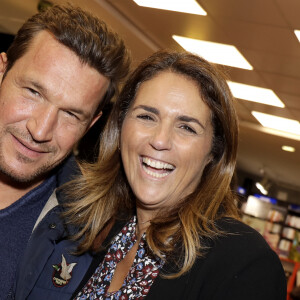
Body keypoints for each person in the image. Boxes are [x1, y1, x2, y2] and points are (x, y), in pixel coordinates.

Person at [15, 50, 286, 299]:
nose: (160, 140)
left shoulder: (243, 262)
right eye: (146, 117)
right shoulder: (102, 227)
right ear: (121, 128)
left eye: (187, 128)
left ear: (213, 152)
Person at [0, 4, 130, 299]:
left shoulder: (90, 236)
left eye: (71, 114)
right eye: (34, 92)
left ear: (91, 123)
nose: (41, 130)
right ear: (1, 70)